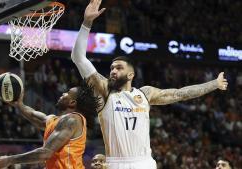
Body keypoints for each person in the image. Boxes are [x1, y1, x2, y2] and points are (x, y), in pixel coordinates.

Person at [70, 0, 229, 168]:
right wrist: (87, 23)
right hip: (116, 163)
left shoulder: (145, 94)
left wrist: (214, 84)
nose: (113, 71)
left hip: (144, 163)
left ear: (131, 74)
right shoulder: (104, 91)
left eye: (118, 68)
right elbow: (78, 58)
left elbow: (181, 93)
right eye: (111, 68)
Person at [0, 82, 100, 169]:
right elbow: (33, 115)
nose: (63, 93)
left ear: (72, 103)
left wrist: (9, 160)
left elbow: (45, 153)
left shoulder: (72, 120)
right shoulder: (57, 120)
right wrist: (19, 104)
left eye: (67, 93)